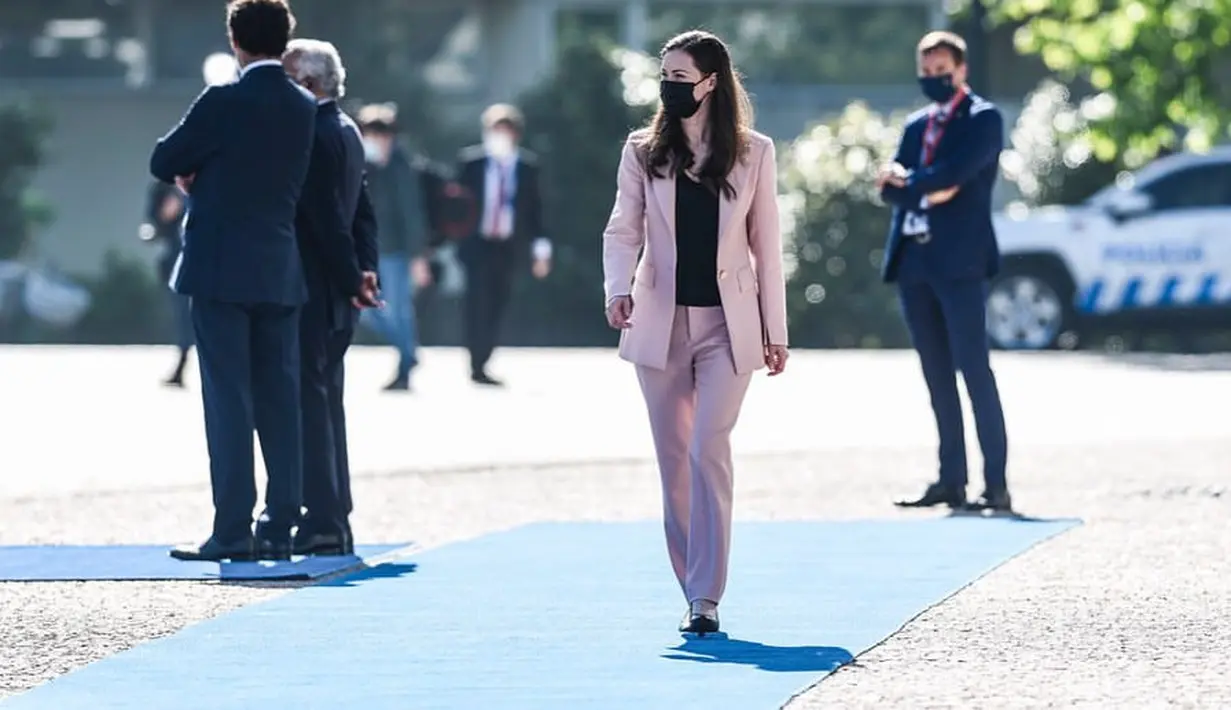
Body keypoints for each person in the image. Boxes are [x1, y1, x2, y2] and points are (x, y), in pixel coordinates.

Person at [601, 30, 789, 635]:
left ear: (711, 83)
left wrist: (775, 329)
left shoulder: (754, 152)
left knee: (709, 448)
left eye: (681, 77)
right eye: (666, 76)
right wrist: (617, 288)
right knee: (673, 460)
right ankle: (691, 591)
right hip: (660, 321)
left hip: (728, 326)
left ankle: (707, 594)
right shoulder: (641, 149)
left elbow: (767, 245)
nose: (669, 87)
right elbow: (622, 230)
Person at [150, 0, 317, 562]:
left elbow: (164, 157)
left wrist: (200, 173)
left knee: (228, 401)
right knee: (280, 401)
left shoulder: (223, 99)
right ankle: (281, 524)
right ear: (284, 39)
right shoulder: (302, 105)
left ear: (234, 41)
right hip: (279, 266)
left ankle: (232, 529)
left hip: (220, 266)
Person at [876, 30, 1012, 514]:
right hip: (915, 263)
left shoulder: (983, 119)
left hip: (961, 263)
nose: (934, 79)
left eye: (942, 70)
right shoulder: (917, 125)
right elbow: (892, 187)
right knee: (936, 377)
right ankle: (949, 480)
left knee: (974, 371)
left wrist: (913, 183)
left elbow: (954, 176)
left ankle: (994, 485)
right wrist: (921, 187)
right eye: (926, 71)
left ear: (962, 70)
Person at [282, 39, 382, 556]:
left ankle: (321, 518)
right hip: (338, 291)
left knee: (311, 407)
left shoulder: (315, 134)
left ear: (310, 84)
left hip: (315, 288)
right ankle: (334, 515)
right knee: (326, 404)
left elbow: (325, 222)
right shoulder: (346, 128)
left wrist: (350, 276)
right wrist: (366, 273)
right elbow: (361, 209)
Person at [455, 104, 552, 386]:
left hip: (507, 245)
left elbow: (536, 211)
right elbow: (455, 204)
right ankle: (476, 363)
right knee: (476, 303)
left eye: (504, 130)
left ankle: (484, 357)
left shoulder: (527, 168)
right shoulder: (471, 163)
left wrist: (541, 251)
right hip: (476, 244)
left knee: (498, 302)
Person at [356, 103, 431, 391]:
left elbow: (412, 213)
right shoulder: (359, 163)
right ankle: (409, 351)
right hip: (366, 251)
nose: (377, 141)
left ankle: (404, 367)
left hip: (396, 251)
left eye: (381, 135)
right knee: (366, 310)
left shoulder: (401, 167)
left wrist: (418, 255)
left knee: (399, 310)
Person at [140, 179, 192, 386]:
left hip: (206, 257)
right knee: (182, 315)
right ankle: (182, 361)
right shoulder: (166, 187)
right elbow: (157, 220)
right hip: (177, 258)